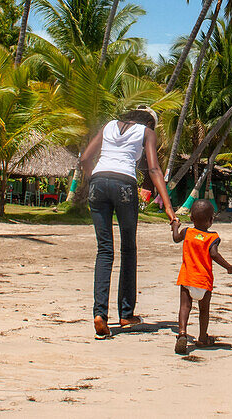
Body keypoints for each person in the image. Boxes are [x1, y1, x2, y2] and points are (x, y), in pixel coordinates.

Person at [79, 107, 177, 340]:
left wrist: (95, 179)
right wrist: (169, 209)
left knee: (104, 250)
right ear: (149, 123)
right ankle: (126, 314)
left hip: (99, 183)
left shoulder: (109, 125)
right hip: (124, 184)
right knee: (128, 249)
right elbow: (153, 168)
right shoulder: (147, 132)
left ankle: (100, 315)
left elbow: (84, 158)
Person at [171, 199, 232, 355]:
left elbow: (175, 238)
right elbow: (214, 254)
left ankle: (182, 333)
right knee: (204, 310)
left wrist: (175, 226)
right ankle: (202, 338)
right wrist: (229, 267)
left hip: (187, 278)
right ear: (211, 220)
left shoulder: (187, 232)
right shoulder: (212, 237)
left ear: (191, 219)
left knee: (185, 307)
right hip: (204, 280)